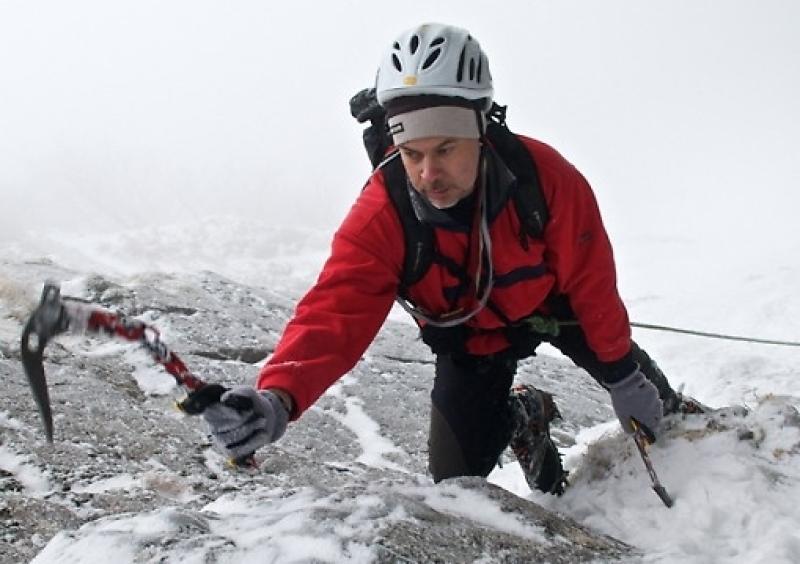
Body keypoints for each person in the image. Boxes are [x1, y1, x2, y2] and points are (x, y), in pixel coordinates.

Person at [197, 23, 698, 495]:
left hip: (560, 309)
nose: (428, 172)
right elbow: (335, 312)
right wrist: (277, 397)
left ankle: (667, 406)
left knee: (664, 416)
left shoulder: (543, 179)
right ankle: (524, 415)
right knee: (456, 481)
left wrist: (622, 375)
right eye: (412, 153)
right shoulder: (384, 212)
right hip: (473, 341)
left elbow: (591, 282)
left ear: (481, 130)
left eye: (445, 149)